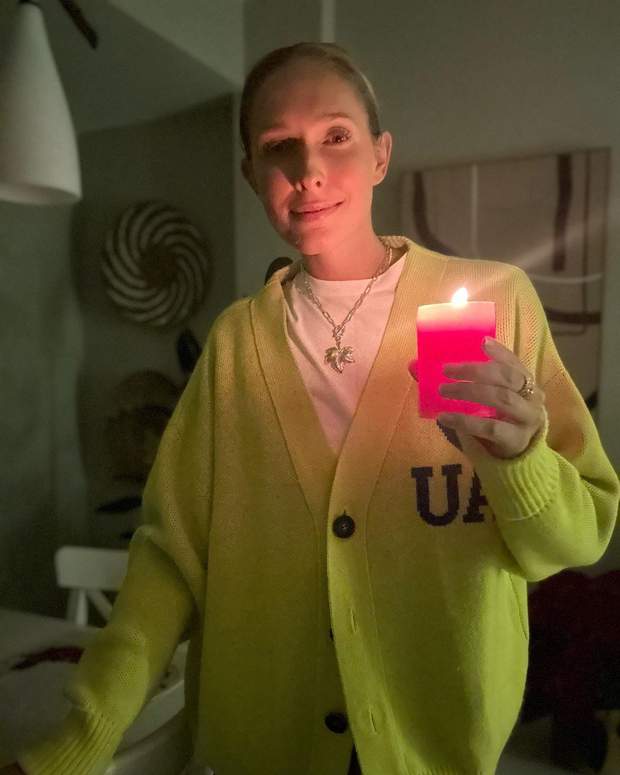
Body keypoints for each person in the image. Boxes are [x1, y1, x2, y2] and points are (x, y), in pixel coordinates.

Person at [5, 41, 619, 775]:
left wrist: (520, 461)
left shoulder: (499, 301)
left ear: (381, 154)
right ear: (251, 174)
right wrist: (79, 741)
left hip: (440, 743)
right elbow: (167, 565)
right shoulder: (236, 345)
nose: (309, 169)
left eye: (336, 136)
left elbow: (577, 541)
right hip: (266, 747)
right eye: (278, 146)